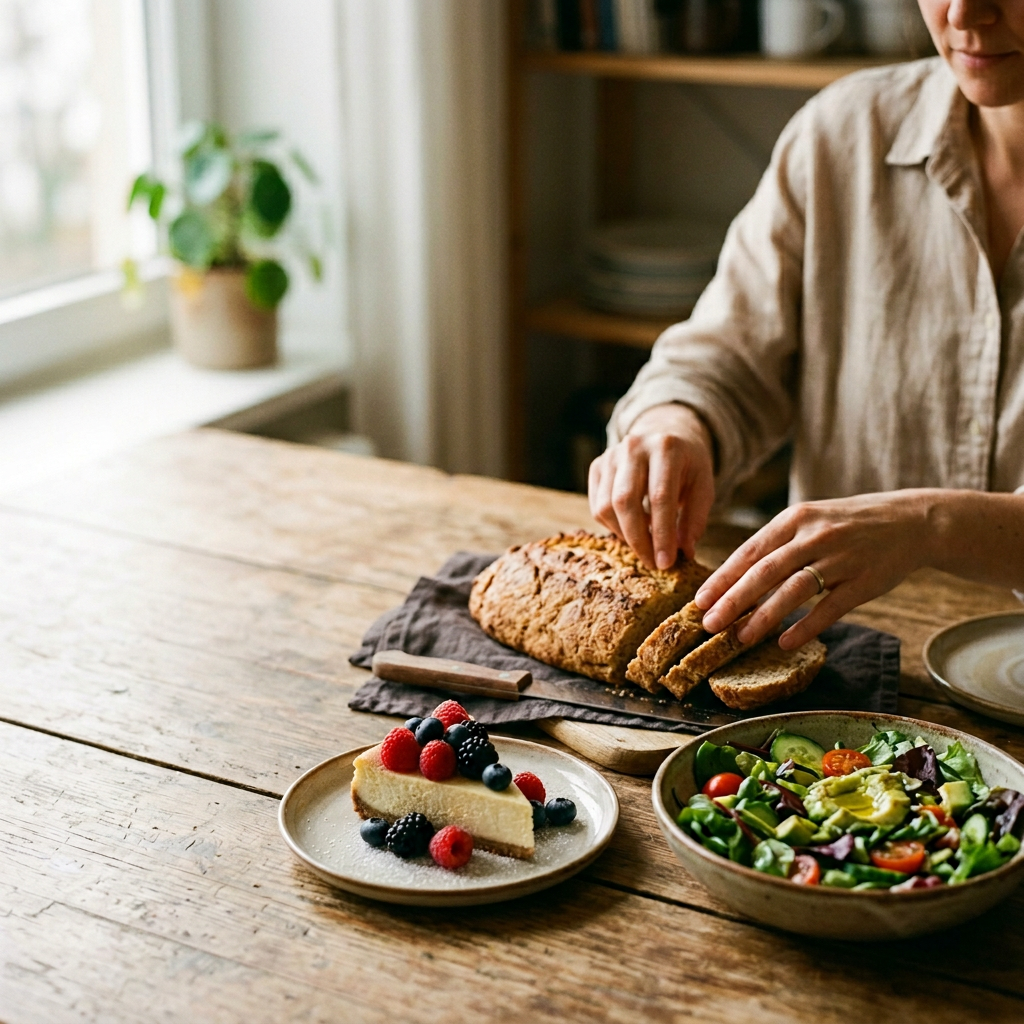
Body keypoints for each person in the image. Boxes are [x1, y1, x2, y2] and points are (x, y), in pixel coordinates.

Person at [588, 0, 1024, 652]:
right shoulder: (843, 131)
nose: (964, 12)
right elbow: (729, 354)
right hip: (841, 662)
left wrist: (932, 525)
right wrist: (677, 420)